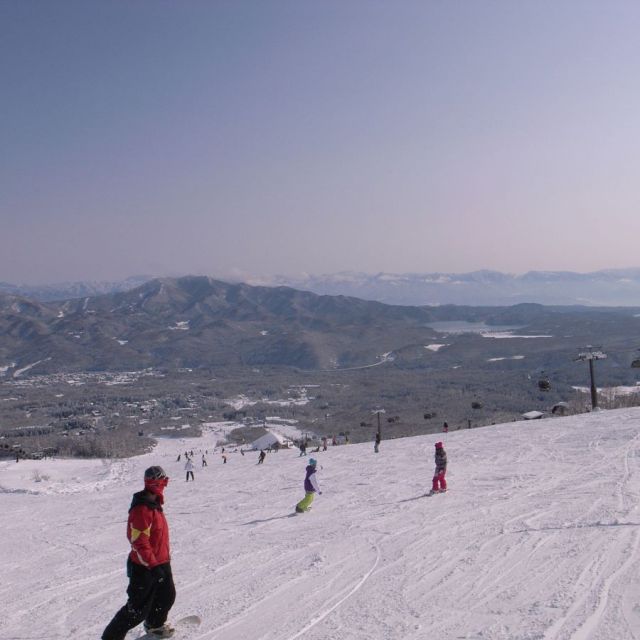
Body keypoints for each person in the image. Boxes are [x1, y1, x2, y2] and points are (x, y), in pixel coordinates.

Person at [101, 466, 175, 640]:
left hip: (161, 561)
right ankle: (111, 637)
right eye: (163, 481)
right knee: (137, 610)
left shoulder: (154, 503)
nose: (165, 484)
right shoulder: (141, 509)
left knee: (166, 596)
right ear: (156, 483)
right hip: (145, 566)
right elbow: (138, 542)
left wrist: (161, 562)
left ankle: (155, 625)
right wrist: (153, 565)